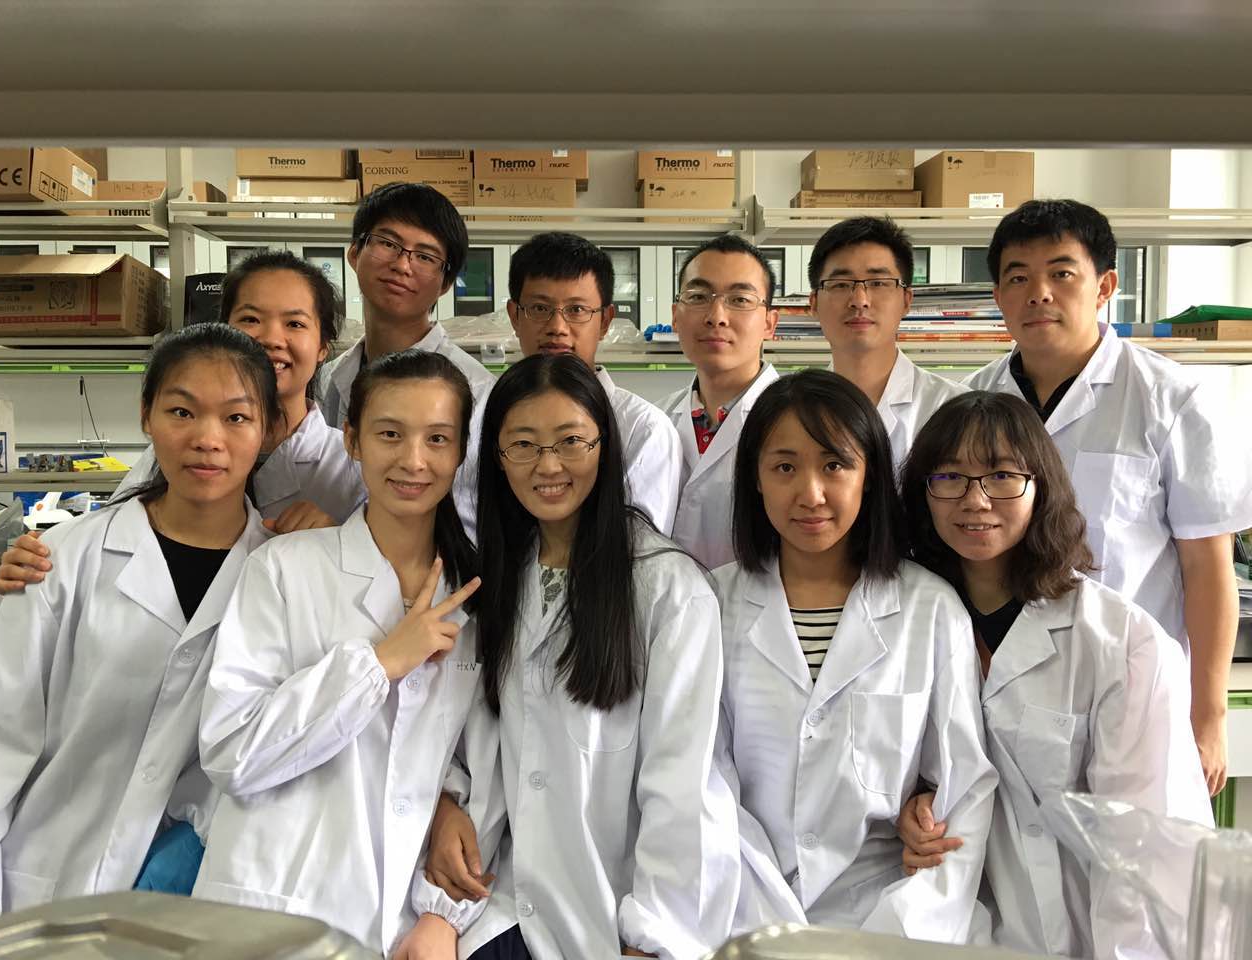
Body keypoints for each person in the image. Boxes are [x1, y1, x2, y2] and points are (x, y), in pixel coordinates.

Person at [410, 354, 740, 960]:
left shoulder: (667, 588)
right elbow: (475, 740)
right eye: (523, 445)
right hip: (506, 899)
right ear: (496, 457)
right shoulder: (497, 580)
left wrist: (655, 937)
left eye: (570, 441)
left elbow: (683, 783)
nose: (549, 466)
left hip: (618, 910)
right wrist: (447, 806)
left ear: (605, 446)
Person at [0, 323, 277, 919]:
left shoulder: (285, 578)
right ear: (146, 416)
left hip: (199, 904)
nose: (207, 439)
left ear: (268, 429)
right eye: (182, 411)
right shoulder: (61, 560)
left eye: (236, 418)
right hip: (42, 890)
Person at [896, 390, 1213, 958]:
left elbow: (1145, 851)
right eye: (949, 477)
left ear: (1041, 486)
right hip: (951, 924)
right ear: (924, 493)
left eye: (1001, 476)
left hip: (1086, 934)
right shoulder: (907, 623)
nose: (975, 500)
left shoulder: (1120, 643)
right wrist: (915, 806)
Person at [192, 350, 482, 958]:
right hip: (277, 910)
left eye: (437, 439)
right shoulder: (284, 569)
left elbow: (481, 761)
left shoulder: (477, 596)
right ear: (351, 439)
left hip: (404, 921)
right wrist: (379, 664)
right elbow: (232, 751)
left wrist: (444, 901)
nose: (413, 460)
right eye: (389, 434)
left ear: (460, 452)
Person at [966, 199, 1252, 795]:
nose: (1039, 293)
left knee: (1134, 848)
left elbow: (1208, 567)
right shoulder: (970, 403)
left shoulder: (1171, 399)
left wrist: (1209, 717)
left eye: (1061, 273)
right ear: (998, 295)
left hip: (1132, 688)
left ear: (1105, 286)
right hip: (998, 688)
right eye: (1018, 277)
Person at [715, 370, 996, 943]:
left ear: (869, 477)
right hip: (741, 904)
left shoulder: (929, 609)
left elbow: (962, 793)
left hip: (889, 918)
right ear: (755, 480)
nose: (811, 494)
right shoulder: (711, 605)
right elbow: (703, 784)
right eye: (785, 467)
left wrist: (894, 936)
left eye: (835, 465)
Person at [0, 250, 366, 594]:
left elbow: (378, 581)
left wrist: (338, 546)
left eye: (295, 323)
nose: (270, 338)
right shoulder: (172, 453)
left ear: (323, 346)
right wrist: (45, 560)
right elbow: (108, 547)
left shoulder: (350, 467)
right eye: (250, 319)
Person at [319, 181, 496, 532]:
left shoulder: (479, 392)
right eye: (388, 244)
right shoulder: (327, 380)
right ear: (354, 253)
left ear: (445, 284)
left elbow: (476, 522)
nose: (402, 265)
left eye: (425, 257)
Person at [505, 232, 682, 532]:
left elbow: (638, 547)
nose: (557, 327)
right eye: (539, 308)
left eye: (576, 310)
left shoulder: (643, 430)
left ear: (604, 321)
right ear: (514, 316)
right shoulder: (493, 416)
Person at [658, 234, 780, 568]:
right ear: (676, 316)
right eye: (698, 297)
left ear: (770, 323)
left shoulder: (800, 421)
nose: (717, 316)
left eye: (740, 299)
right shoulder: (655, 421)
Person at [808, 216, 968, 470]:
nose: (860, 300)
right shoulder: (794, 413)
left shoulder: (954, 410)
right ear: (814, 303)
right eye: (840, 285)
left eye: (878, 283)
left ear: (906, 300)